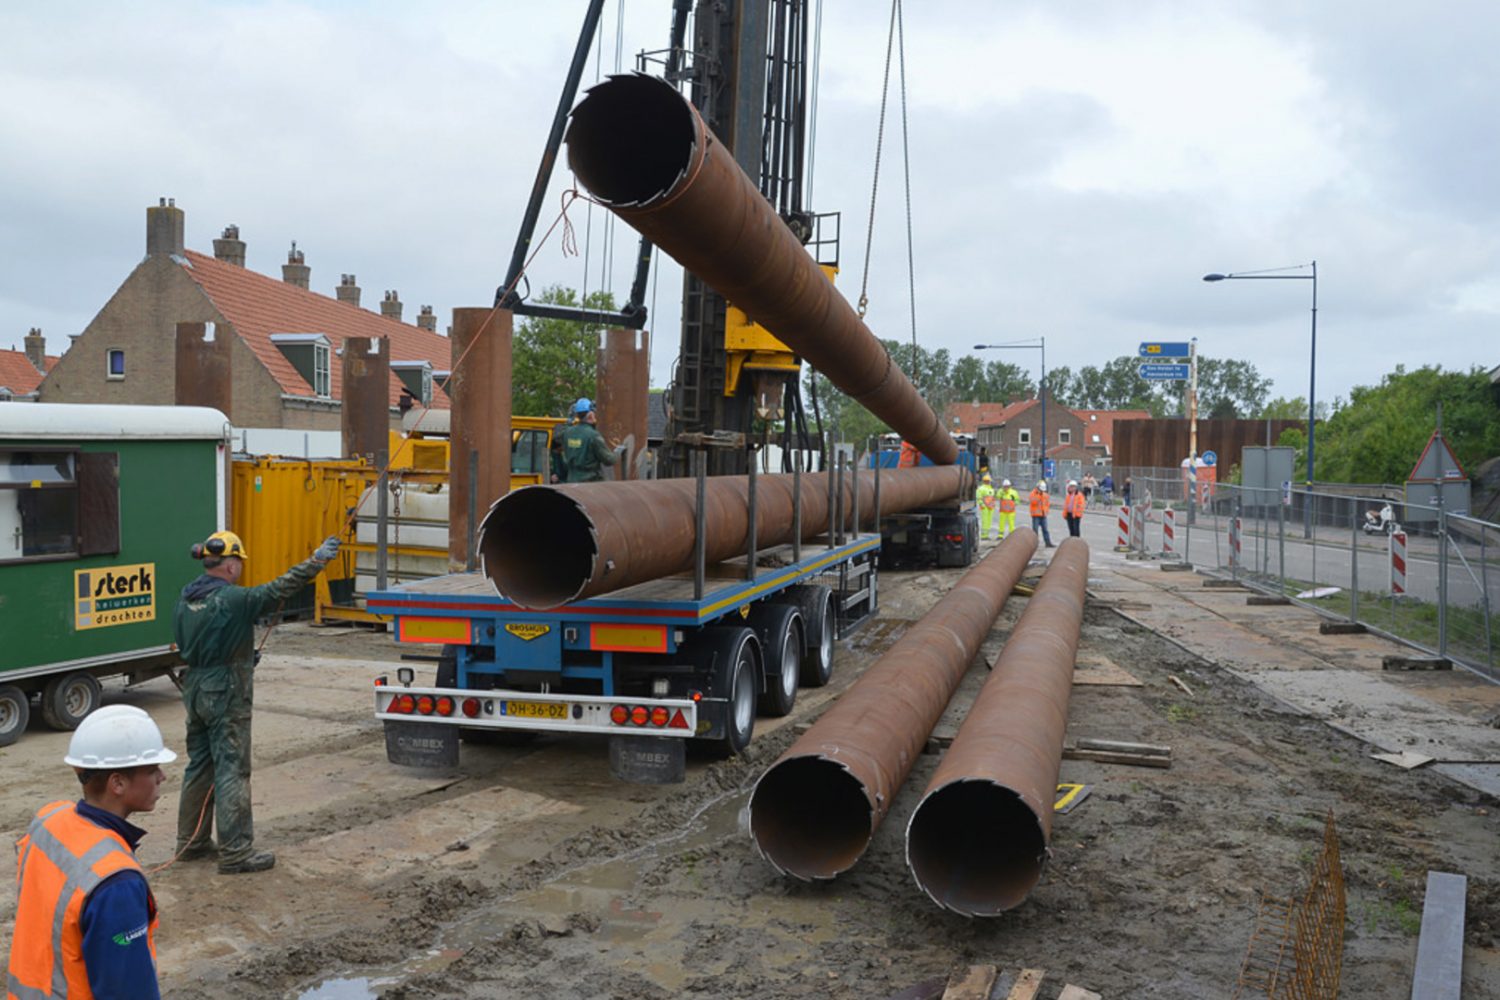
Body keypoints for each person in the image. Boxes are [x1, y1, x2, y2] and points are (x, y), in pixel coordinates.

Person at [173, 529, 340, 874]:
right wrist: (319, 559)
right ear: (231, 564)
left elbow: (198, 642)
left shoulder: (187, 598)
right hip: (226, 691)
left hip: (196, 687)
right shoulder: (234, 599)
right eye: (240, 563)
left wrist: (240, 653)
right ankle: (235, 852)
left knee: (200, 767)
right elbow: (282, 587)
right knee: (232, 767)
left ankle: (191, 842)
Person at [8, 705, 178, 999]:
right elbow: (127, 990)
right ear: (117, 783)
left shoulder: (49, 821)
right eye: (152, 769)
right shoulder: (116, 883)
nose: (162, 776)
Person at [559, 397, 618, 483]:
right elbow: (609, 460)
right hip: (590, 483)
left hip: (571, 482)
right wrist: (617, 452)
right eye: (594, 412)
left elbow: (559, 436)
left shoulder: (567, 432)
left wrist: (569, 420)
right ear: (590, 415)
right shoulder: (593, 435)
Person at [1029, 480, 1055, 548]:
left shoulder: (1045, 495)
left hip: (1043, 514)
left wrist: (1046, 511)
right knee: (1035, 530)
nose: (1042, 491)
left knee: (1045, 530)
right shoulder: (1033, 493)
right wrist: (1038, 495)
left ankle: (1048, 542)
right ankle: (1034, 544)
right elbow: (1033, 501)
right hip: (1036, 515)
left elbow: (1047, 504)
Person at [975, 473, 997, 541]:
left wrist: (993, 504)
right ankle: (984, 536)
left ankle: (986, 535)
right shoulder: (981, 489)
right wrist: (982, 505)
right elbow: (979, 497)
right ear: (985, 481)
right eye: (988, 481)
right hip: (985, 508)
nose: (989, 482)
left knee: (989, 522)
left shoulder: (991, 489)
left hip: (990, 508)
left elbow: (992, 498)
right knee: (985, 522)